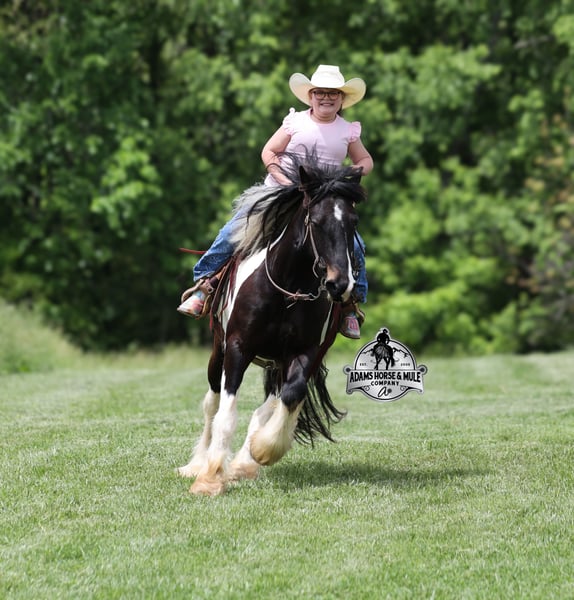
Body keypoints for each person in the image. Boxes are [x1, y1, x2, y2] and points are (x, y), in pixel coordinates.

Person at [178, 64, 373, 338]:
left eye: (333, 93)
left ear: (342, 99)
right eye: (320, 92)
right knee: (235, 230)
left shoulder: (347, 130)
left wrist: (350, 174)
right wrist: (284, 180)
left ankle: (351, 304)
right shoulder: (296, 122)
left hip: (321, 199)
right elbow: (269, 151)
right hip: (281, 191)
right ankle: (205, 285)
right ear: (310, 96)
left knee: (355, 245)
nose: (326, 98)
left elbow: (365, 159)